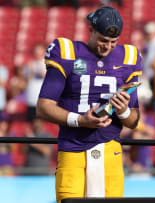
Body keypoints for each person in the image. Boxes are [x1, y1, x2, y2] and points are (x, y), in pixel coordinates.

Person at [36, 6, 142, 202]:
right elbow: (43, 107)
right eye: (103, 40)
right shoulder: (67, 51)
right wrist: (80, 120)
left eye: (113, 42)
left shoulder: (128, 57)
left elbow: (134, 121)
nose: (108, 46)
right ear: (90, 30)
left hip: (111, 149)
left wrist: (123, 110)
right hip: (72, 148)